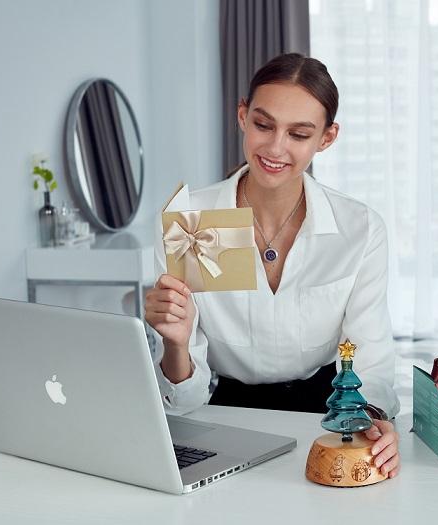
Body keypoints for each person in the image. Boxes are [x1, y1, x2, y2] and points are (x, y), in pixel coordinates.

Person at [145, 53, 400, 478]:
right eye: (263, 125)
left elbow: (369, 361)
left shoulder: (359, 228)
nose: (276, 148)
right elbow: (185, 400)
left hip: (325, 416)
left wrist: (369, 418)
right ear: (243, 116)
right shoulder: (190, 220)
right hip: (222, 418)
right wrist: (174, 342)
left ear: (327, 138)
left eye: (299, 134)